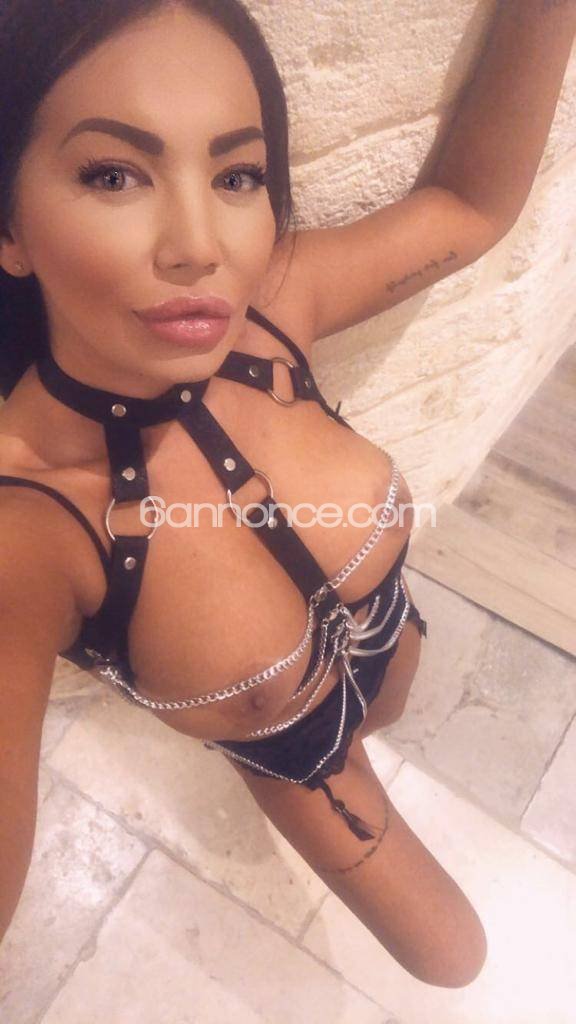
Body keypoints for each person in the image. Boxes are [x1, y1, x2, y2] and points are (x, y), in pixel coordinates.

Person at [2, 0, 572, 989]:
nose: (199, 245)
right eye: (114, 175)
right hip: (300, 755)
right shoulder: (27, 529)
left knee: (394, 721)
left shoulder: (276, 303)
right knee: (454, 959)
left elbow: (470, 209)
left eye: (236, 176)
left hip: (386, 643)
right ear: (10, 227)